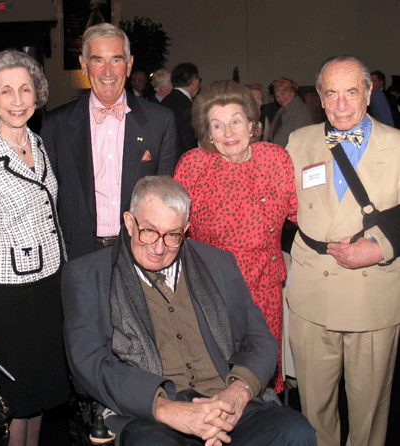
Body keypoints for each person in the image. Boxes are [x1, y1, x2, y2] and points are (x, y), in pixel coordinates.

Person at [62, 175, 316, 446]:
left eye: (172, 235)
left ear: (186, 229)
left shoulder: (218, 263)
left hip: (226, 404)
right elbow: (90, 363)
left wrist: (237, 393)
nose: (158, 249)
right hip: (148, 415)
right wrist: (166, 409)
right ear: (128, 221)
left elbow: (261, 338)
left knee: (295, 432)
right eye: (149, 230)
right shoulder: (88, 275)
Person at [0, 50, 70, 446]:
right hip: (9, 300)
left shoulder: (36, 143)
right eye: (6, 91)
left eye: (25, 89)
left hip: (47, 289)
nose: (18, 99)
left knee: (36, 399)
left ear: (37, 94)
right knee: (16, 401)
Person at [286, 55, 400, 446]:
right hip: (311, 290)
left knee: (368, 410)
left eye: (351, 92)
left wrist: (382, 247)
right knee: (314, 407)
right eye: (331, 93)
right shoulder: (298, 142)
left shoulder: (397, 145)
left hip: (372, 293)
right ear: (318, 97)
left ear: (369, 93)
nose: (341, 105)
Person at [174, 80, 298, 394]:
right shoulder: (193, 165)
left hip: (265, 289)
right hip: (213, 291)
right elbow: (175, 228)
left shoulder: (276, 160)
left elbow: (301, 211)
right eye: (218, 125)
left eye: (236, 122)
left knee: (261, 375)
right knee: (218, 376)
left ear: (252, 125)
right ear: (207, 132)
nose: (228, 133)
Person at [40, 23, 177, 261]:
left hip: (140, 254)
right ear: (83, 66)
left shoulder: (161, 121)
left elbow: (165, 200)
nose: (107, 72)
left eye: (116, 60)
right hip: (78, 256)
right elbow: (45, 202)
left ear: (129, 64)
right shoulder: (56, 125)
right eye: (97, 60)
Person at [161, 62, 200, 158]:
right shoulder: (189, 108)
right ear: (194, 82)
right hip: (183, 163)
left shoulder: (164, 102)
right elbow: (189, 143)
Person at [269, 78, 313, 148]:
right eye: (277, 96)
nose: (280, 98)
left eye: (282, 93)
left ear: (292, 92)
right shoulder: (281, 112)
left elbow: (299, 141)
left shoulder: (301, 111)